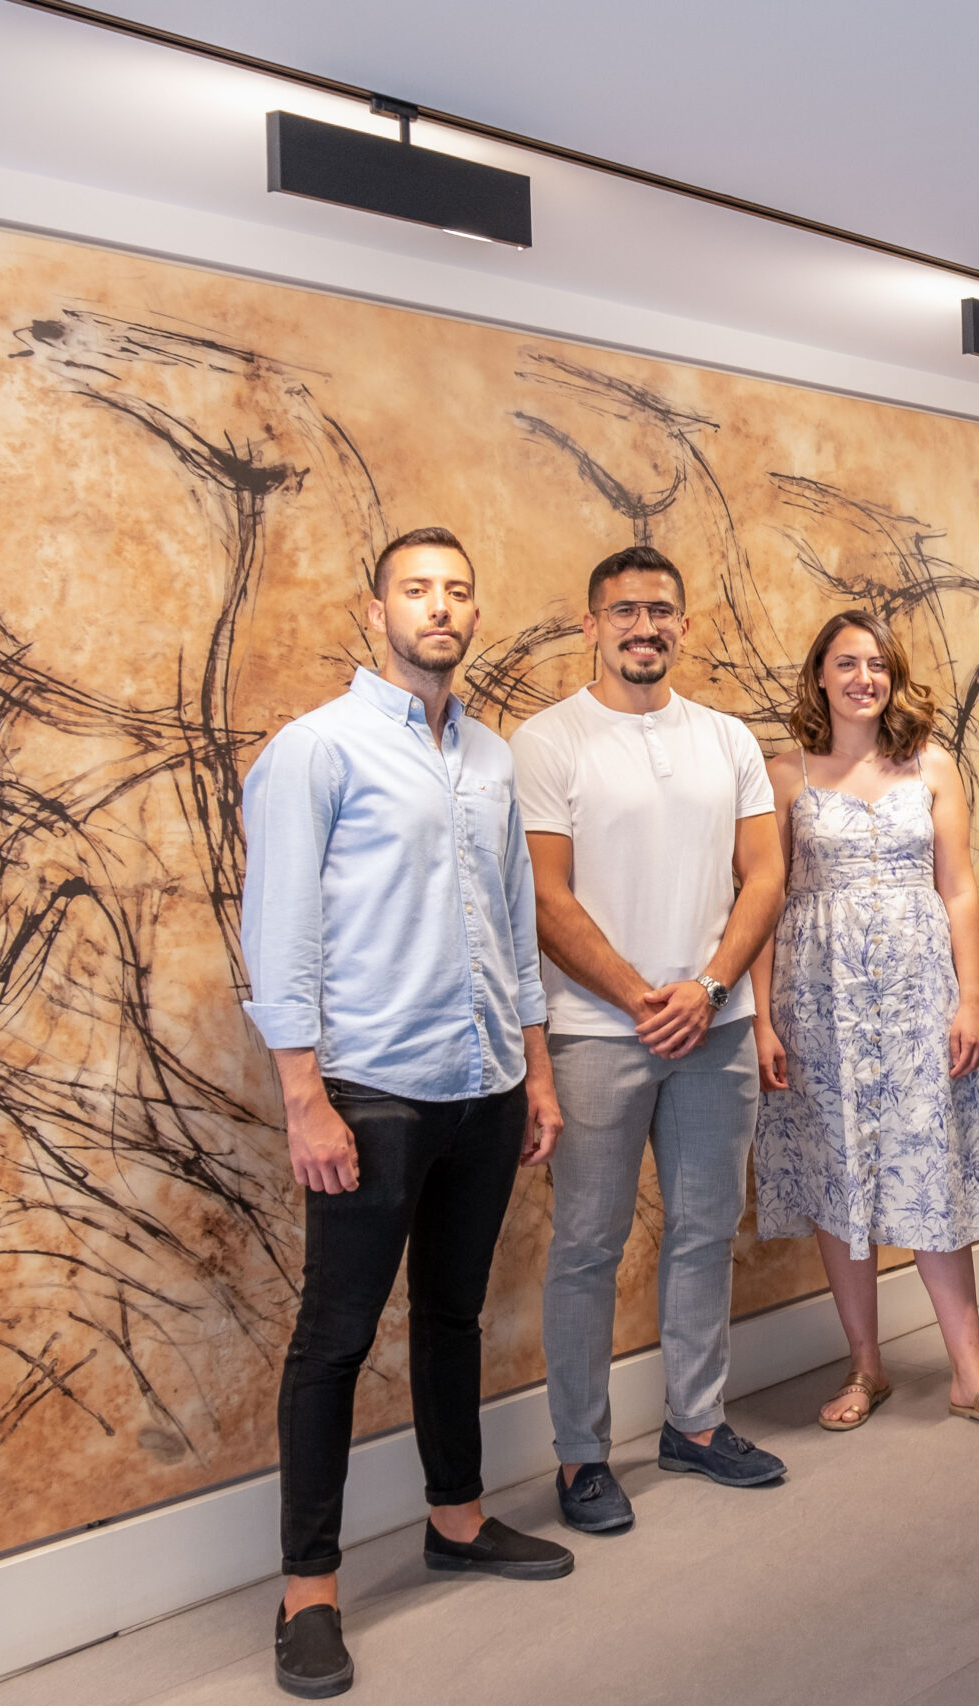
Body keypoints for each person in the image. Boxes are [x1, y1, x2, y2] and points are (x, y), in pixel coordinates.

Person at [240, 527, 571, 1699]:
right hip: (371, 1090)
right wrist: (305, 1100)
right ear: (375, 609)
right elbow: (280, 928)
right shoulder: (316, 749)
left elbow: (515, 923)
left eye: (457, 590)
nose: (440, 606)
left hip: (484, 1081)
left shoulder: (489, 756)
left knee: (451, 1313)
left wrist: (535, 1073)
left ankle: (458, 1518)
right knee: (334, 1337)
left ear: (473, 613)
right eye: (417, 589)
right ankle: (308, 1589)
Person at [514, 545, 788, 1537]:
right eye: (624, 610)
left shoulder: (727, 739)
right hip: (597, 1032)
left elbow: (765, 875)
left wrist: (707, 988)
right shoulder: (546, 741)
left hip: (717, 1027)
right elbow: (545, 897)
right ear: (591, 624)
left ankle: (696, 1422)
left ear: (683, 623)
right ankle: (581, 1454)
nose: (644, 626)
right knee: (588, 1246)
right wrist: (641, 997)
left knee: (705, 1232)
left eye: (660, 610)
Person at [751, 610, 979, 1438]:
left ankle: (970, 1376)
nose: (864, 678)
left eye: (877, 664)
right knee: (839, 1176)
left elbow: (960, 888)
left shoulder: (932, 765)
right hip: (820, 1004)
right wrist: (763, 1020)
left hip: (919, 998)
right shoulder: (784, 775)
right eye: (847, 663)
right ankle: (865, 1366)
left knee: (928, 1175)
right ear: (820, 676)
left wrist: (970, 997)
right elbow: (762, 902)